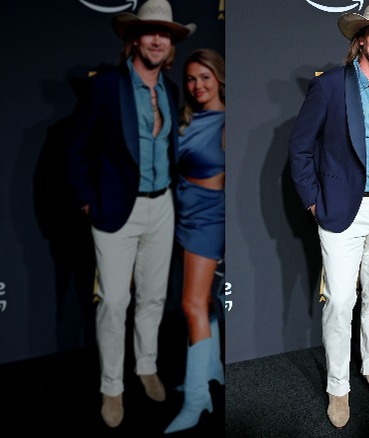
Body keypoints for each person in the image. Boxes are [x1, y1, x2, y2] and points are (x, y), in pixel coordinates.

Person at [287, 0, 369, 429]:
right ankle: (338, 387)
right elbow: (300, 148)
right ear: (360, 38)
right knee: (341, 301)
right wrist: (314, 201)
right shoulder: (329, 87)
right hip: (344, 208)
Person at [64, 0, 196, 428]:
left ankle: (145, 366)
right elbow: (76, 149)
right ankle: (111, 388)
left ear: (171, 45)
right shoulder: (106, 86)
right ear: (134, 38)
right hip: (116, 210)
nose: (157, 40)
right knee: (115, 302)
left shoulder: (170, 91)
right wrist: (88, 199)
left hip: (163, 206)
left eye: (166, 35)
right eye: (150, 32)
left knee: (155, 297)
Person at [164, 48, 226, 434]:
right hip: (183, 215)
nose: (196, 85)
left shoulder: (225, 122)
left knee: (191, 305)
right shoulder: (187, 120)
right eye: (190, 79)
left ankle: (197, 398)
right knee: (201, 301)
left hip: (209, 218)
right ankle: (209, 370)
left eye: (204, 77)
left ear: (218, 78)